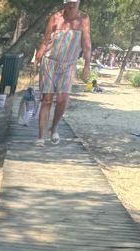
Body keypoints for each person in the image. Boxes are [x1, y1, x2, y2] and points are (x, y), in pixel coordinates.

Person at [36, 0, 91, 145]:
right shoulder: (55, 17)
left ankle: (53, 128)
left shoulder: (84, 19)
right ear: (64, 3)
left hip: (69, 64)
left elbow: (86, 42)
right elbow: (46, 39)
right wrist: (39, 55)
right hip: (50, 62)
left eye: (75, 3)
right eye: (69, 3)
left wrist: (87, 64)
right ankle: (41, 136)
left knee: (62, 99)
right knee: (47, 99)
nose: (71, 6)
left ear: (79, 3)